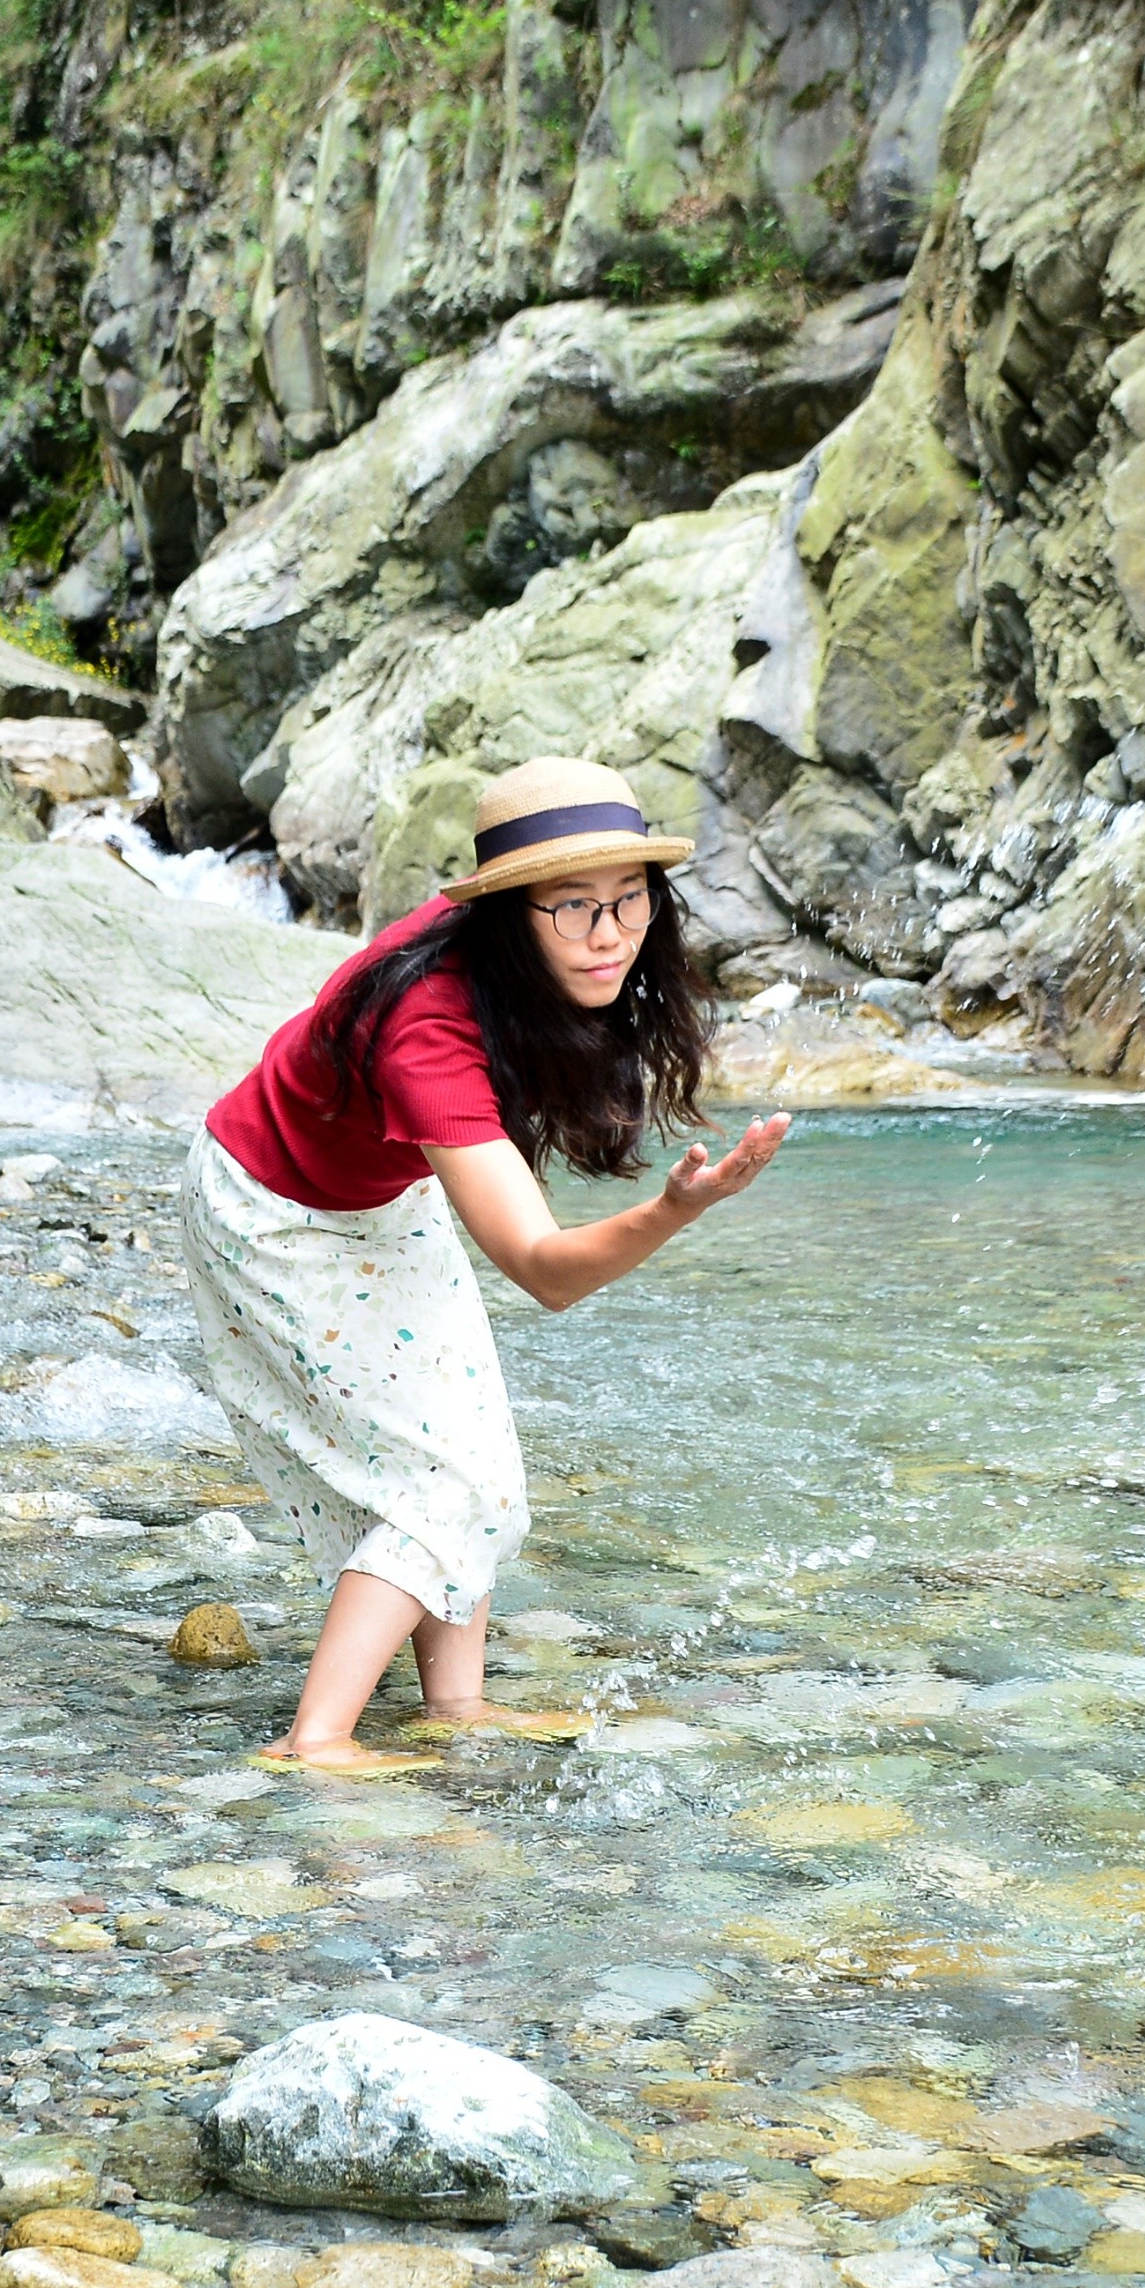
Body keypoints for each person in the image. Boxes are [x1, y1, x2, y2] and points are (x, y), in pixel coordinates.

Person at [185, 755, 793, 1772]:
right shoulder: (427, 1028)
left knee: (468, 1444)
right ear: (509, 914)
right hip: (272, 1210)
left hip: (378, 1189)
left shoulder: (521, 958)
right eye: (571, 908)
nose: (607, 935)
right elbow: (542, 1269)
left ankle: (452, 1705)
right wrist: (673, 1210)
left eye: (626, 900)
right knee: (443, 1485)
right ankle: (317, 1739)